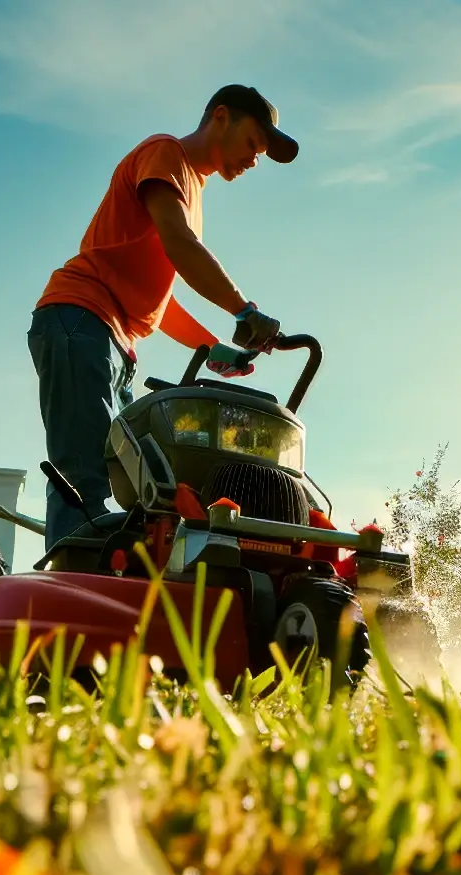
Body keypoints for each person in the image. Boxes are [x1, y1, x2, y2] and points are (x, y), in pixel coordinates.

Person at [30, 84, 298, 546]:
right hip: (80, 318)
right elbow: (182, 246)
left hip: (113, 339)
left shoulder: (193, 189)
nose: (255, 159)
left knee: (131, 481)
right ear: (220, 117)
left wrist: (210, 345)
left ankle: (112, 584)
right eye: (253, 142)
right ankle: (71, 594)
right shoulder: (165, 154)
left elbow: (160, 299)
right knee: (82, 473)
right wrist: (244, 310)